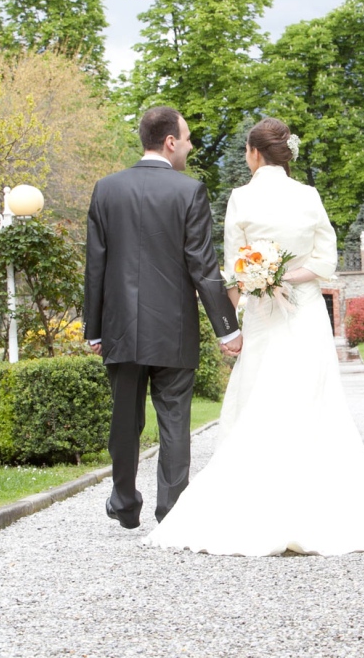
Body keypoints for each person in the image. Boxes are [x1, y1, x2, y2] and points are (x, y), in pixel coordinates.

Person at [145, 117, 364, 556]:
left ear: (254, 153)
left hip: (263, 315)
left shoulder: (241, 198)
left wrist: (244, 305)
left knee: (259, 398)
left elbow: (233, 269)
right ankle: (319, 506)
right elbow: (325, 262)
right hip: (306, 314)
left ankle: (256, 507)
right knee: (313, 401)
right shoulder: (308, 195)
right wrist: (285, 275)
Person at [84, 107, 241, 529]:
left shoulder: (106, 189)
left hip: (120, 329)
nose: (190, 146)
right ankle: (171, 512)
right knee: (174, 420)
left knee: (124, 419)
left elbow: (95, 265)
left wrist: (94, 330)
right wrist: (228, 328)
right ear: (170, 142)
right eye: (186, 138)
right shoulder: (189, 191)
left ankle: (124, 502)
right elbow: (203, 267)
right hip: (173, 329)